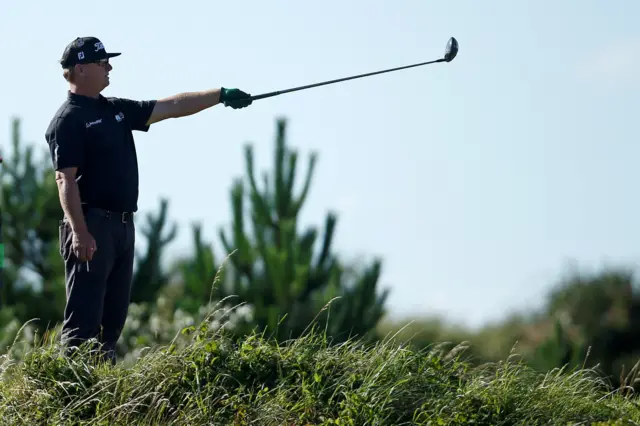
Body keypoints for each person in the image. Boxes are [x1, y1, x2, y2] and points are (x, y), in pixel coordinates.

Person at [44, 36, 253, 364]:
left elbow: (170, 107)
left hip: (123, 226)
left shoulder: (114, 109)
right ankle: (71, 395)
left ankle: (104, 393)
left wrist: (220, 95)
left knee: (112, 322)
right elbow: (64, 179)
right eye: (102, 63)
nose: (109, 67)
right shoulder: (68, 119)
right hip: (91, 226)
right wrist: (80, 232)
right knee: (83, 324)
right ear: (81, 69)